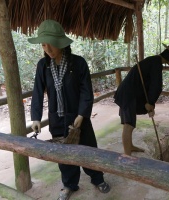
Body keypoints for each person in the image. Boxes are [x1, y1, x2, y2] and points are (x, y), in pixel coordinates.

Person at [28, 19, 110, 200]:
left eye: (51, 44)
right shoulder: (43, 66)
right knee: (64, 155)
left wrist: (82, 113)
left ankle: (97, 178)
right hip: (57, 118)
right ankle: (69, 184)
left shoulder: (78, 63)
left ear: (61, 43)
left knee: (88, 150)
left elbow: (86, 91)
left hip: (78, 117)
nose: (47, 49)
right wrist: (36, 118)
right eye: (43, 44)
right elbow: (37, 92)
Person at [113, 42, 169, 156]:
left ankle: (130, 146)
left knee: (129, 122)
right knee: (128, 124)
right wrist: (150, 103)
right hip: (128, 94)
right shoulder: (156, 63)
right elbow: (156, 86)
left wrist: (150, 104)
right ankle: (127, 155)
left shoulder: (155, 61)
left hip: (130, 93)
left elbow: (149, 85)